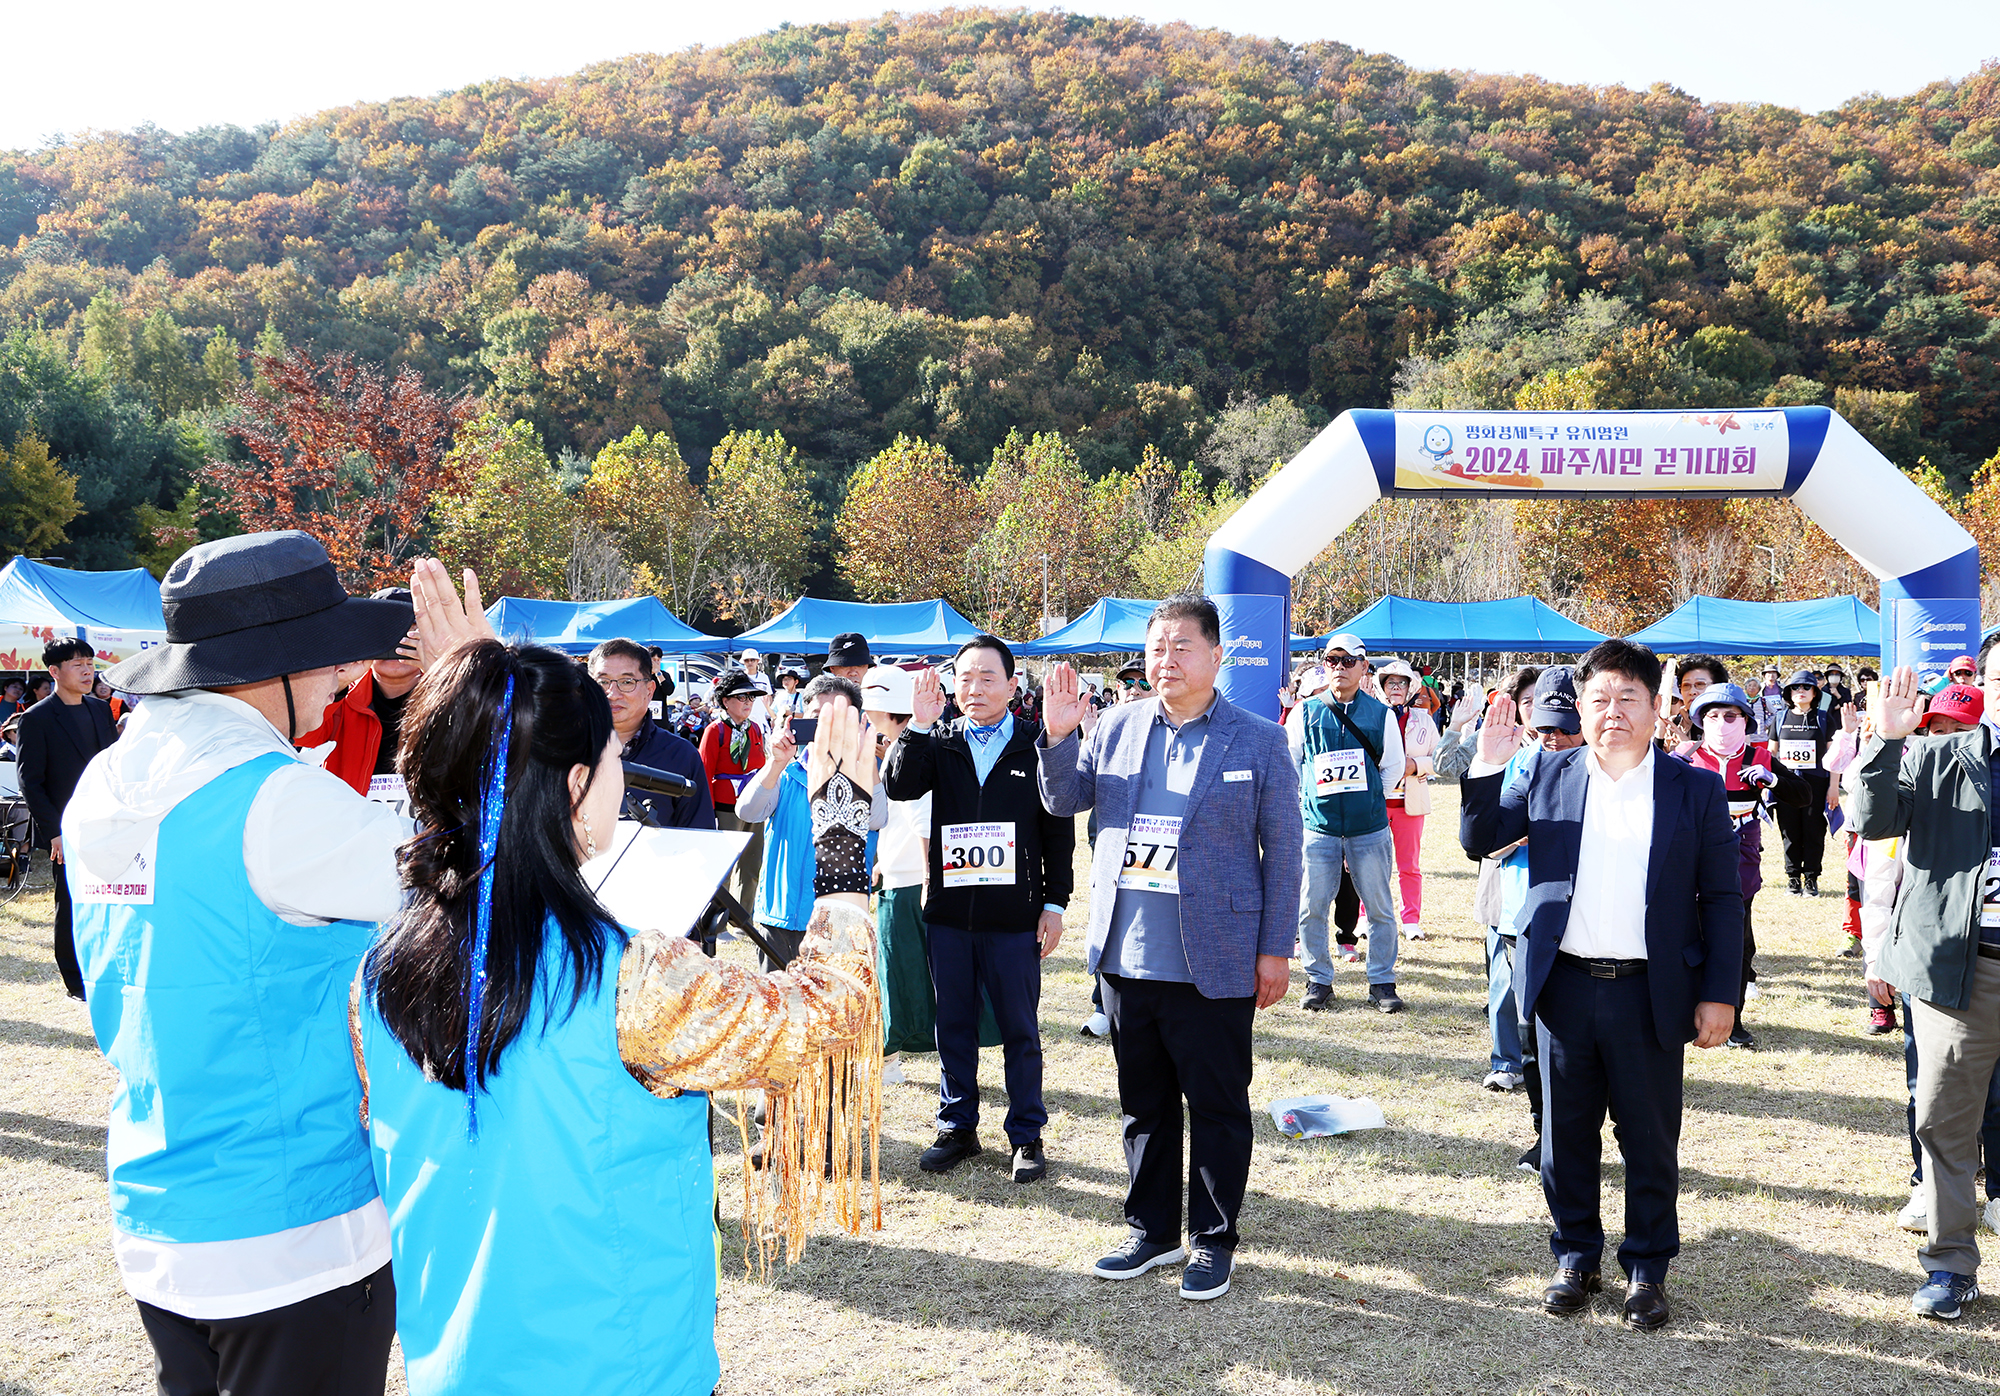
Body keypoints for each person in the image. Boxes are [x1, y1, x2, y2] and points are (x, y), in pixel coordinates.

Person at [358, 645, 887, 1394]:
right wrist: (839, 840)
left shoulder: (380, 968)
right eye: (610, 753)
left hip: (455, 1359)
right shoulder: (630, 978)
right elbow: (822, 1014)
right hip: (619, 1361)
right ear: (578, 784)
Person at [61, 533, 491, 1396]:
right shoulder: (276, 801)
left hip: (159, 1203)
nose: (343, 674)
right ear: (276, 663)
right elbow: (483, 872)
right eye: (328, 654)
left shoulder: (106, 783)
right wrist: (480, 684)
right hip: (293, 1221)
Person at [1461, 638, 1741, 1332]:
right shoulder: (1549, 774)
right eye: (1598, 698)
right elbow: (1479, 839)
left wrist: (1720, 993)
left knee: (1649, 1137)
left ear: (1658, 709)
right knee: (1565, 1136)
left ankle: (1647, 1268)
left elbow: (1723, 899)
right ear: (1579, 709)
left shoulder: (1695, 788)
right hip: (1564, 986)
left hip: (1652, 991)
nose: (1611, 711)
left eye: (1627, 698)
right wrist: (1489, 765)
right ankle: (1574, 1257)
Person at [1037, 594, 1300, 1302]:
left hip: (1215, 955)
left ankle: (1212, 1240)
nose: (1168, 659)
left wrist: (1275, 947)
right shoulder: (1117, 726)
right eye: (1157, 647)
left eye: (1183, 646)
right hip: (1129, 951)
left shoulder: (1258, 740)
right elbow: (1064, 803)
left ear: (1217, 656)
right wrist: (1061, 738)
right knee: (1143, 1103)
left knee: (1217, 1106)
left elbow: (1285, 852)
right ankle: (1150, 1231)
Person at [886, 636, 1072, 1184]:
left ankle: (1026, 1135)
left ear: (1013, 686)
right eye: (965, 677)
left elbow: (1058, 831)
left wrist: (1055, 903)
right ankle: (957, 1126)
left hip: (1015, 917)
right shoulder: (937, 742)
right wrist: (917, 726)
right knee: (955, 1026)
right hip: (950, 916)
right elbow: (900, 786)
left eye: (988, 677)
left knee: (1020, 1029)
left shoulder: (1036, 746)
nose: (975, 688)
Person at [1849, 655, 2000, 1320]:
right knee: (1944, 1119)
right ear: (1984, 687)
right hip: (1959, 966)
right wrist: (1884, 741)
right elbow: (1875, 821)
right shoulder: (1940, 756)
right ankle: (1950, 1265)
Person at [1672, 683, 1811, 1049]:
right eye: (1712, 716)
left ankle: (1732, 1020)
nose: (1721, 724)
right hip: (1688, 860)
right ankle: (1683, 1011)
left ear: (1746, 721)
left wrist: (1774, 780)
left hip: (1739, 859)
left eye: (1730, 716)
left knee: (1735, 939)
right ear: (1700, 721)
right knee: (1684, 936)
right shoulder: (1684, 755)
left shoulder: (1759, 756)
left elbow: (1802, 796)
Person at [738, 673, 889, 971]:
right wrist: (776, 762)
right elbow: (748, 811)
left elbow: (877, 818)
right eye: (818, 716)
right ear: (802, 719)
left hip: (839, 923)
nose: (827, 726)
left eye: (839, 717)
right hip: (779, 919)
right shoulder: (787, 773)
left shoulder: (867, 773)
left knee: (830, 1016)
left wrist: (863, 761)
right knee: (776, 1012)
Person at [1289, 632, 1406, 1012]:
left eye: (1347, 660)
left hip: (1368, 829)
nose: (1339, 667)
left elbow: (1393, 768)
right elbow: (1292, 763)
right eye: (1332, 660)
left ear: (1363, 666)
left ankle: (1382, 982)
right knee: (1311, 908)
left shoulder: (1381, 714)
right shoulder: (1305, 711)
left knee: (1379, 908)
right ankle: (1318, 979)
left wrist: (1369, 800)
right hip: (1318, 828)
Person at [17, 636, 118, 999]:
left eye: (90, 662)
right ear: (54, 671)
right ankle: (75, 981)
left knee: (108, 895)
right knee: (70, 898)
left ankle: (104, 967)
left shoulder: (100, 709)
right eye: (78, 664)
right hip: (65, 827)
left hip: (105, 822)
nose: (88, 670)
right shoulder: (36, 718)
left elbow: (111, 764)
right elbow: (30, 781)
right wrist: (55, 832)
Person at [863, 663, 932, 1083]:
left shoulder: (905, 750)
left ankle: (889, 1055)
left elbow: (922, 819)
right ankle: (891, 1053)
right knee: (896, 969)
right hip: (899, 873)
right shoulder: (895, 747)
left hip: (910, 881)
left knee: (897, 971)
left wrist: (926, 876)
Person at [294, 587, 421, 802]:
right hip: (352, 827)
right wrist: (341, 681)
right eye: (383, 633)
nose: (395, 643)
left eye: (406, 632)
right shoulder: (341, 697)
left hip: (427, 831)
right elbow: (302, 734)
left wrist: (442, 670)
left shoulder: (447, 698)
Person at [588, 637, 714, 829]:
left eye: (627, 681)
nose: (612, 693)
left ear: (649, 690)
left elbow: (700, 834)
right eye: (603, 682)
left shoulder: (681, 755)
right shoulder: (561, 750)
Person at [1375, 659, 1438, 941]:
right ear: (1382, 687)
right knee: (1371, 863)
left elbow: (1439, 759)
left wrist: (1416, 765)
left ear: (1411, 687)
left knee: (1409, 865)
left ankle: (1411, 919)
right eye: (1391, 682)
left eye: (1402, 682)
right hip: (1376, 802)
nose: (1396, 687)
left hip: (1410, 803)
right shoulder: (1373, 715)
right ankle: (1367, 916)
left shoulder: (1424, 719)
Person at [699, 670, 767, 913]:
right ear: (725, 701)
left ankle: (742, 919)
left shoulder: (755, 729)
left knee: (751, 863)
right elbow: (704, 772)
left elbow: (761, 765)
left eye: (751, 697)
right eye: (741, 697)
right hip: (726, 804)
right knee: (724, 865)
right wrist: (706, 812)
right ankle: (715, 921)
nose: (748, 702)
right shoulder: (715, 731)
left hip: (754, 803)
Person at [1774, 670, 1836, 896]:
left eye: (1805, 687)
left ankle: (1811, 878)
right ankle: (1792, 878)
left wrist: (1833, 787)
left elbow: (1834, 757)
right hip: (1786, 785)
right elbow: (1771, 754)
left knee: (1814, 831)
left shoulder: (1823, 718)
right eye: (1795, 687)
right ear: (1788, 692)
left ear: (1815, 692)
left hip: (1816, 784)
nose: (1800, 691)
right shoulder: (1780, 718)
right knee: (1789, 831)